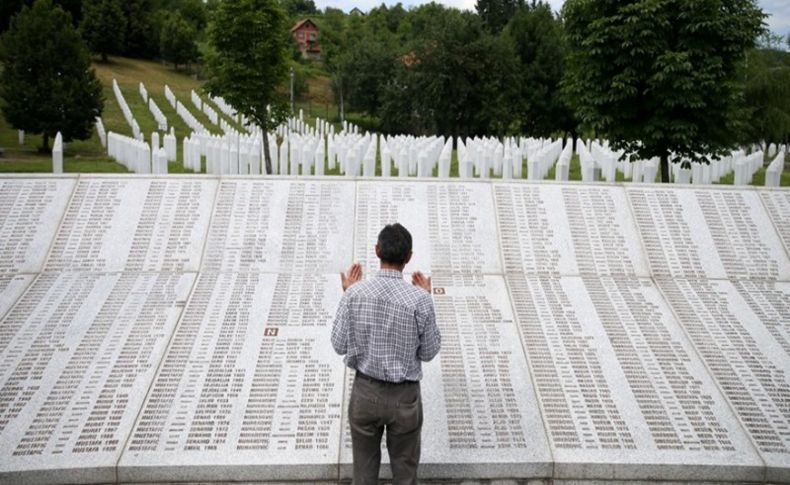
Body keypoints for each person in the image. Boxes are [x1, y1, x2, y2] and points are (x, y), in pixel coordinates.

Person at [331, 223, 441, 485]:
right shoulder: (420, 299)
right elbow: (428, 352)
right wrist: (426, 296)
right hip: (405, 398)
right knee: (405, 475)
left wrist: (348, 294)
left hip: (365, 393)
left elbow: (338, 345)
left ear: (377, 250)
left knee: (364, 476)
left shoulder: (354, 293)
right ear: (409, 257)